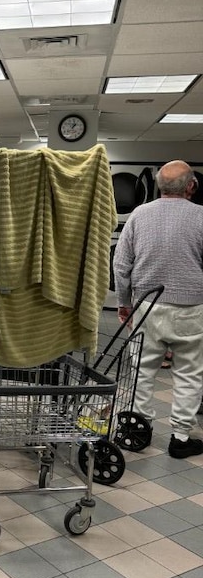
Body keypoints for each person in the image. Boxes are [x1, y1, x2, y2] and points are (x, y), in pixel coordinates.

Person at [113, 160, 203, 459]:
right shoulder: (202, 216)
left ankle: (139, 428)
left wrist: (124, 303)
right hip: (191, 307)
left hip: (147, 304)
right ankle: (180, 437)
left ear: (158, 185)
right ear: (191, 186)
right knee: (189, 373)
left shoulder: (140, 214)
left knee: (141, 370)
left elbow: (121, 264)